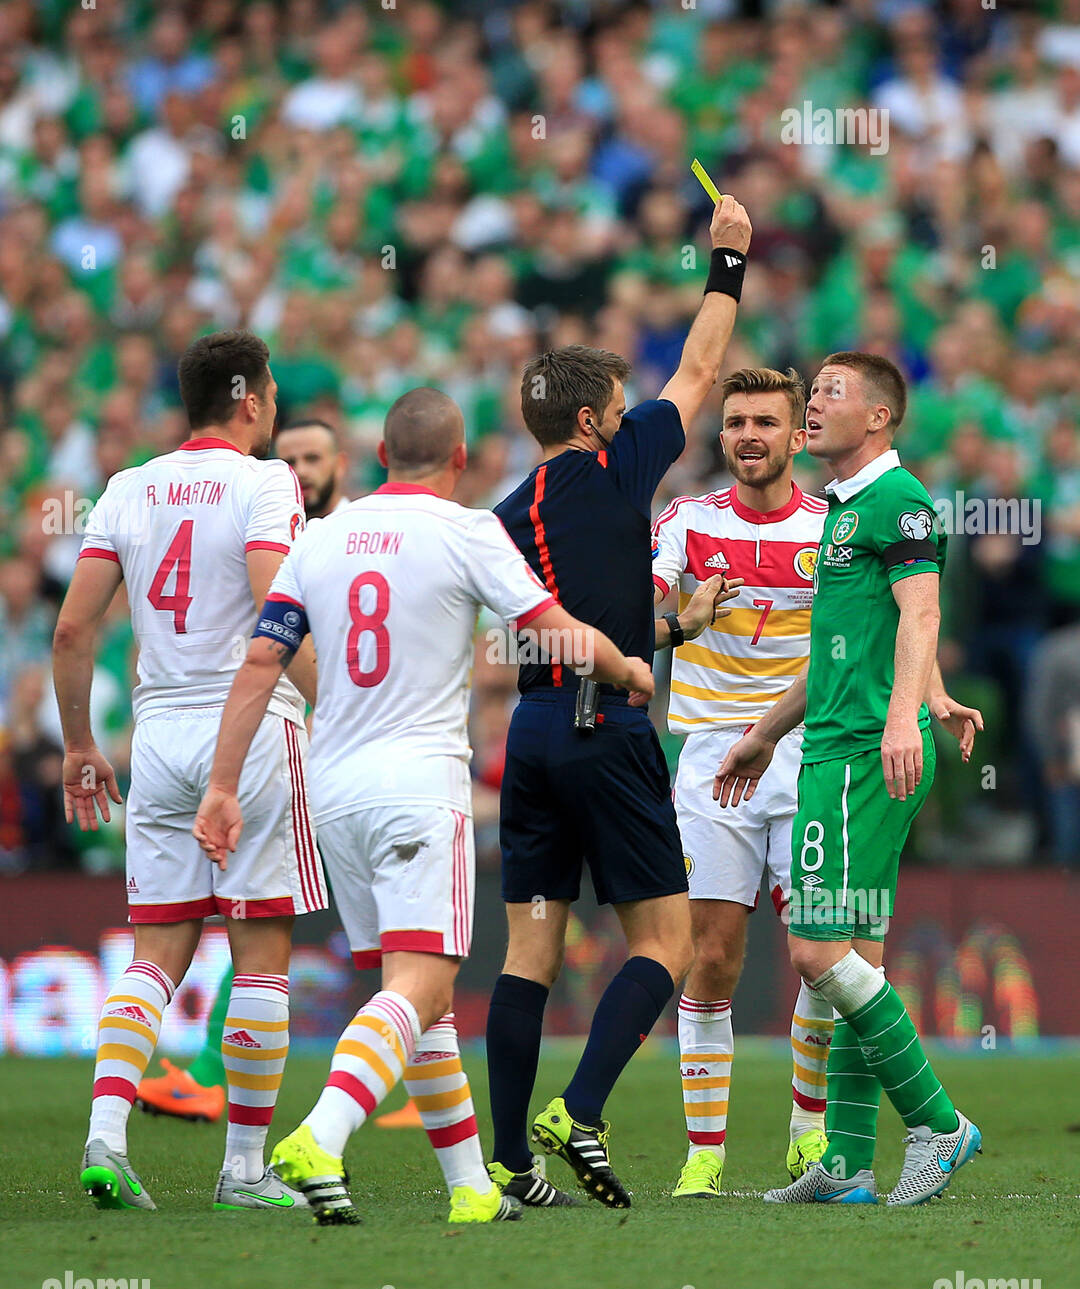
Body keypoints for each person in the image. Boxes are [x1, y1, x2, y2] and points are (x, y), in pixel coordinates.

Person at [192, 387, 655, 1225]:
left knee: (416, 995)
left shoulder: (319, 538)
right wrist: (625, 668)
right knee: (421, 985)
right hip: (418, 787)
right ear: (461, 460)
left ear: (376, 458)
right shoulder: (466, 529)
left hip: (333, 792)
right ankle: (322, 1134)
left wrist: (221, 786)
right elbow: (552, 628)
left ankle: (470, 1185)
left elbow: (262, 663)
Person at [484, 194, 753, 1209]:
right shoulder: (617, 465)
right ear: (595, 420)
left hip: (537, 732)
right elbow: (702, 368)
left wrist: (671, 629)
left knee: (530, 951)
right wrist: (726, 262)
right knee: (667, 944)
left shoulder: (506, 517)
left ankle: (508, 1163)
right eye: (618, 397)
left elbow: (547, 625)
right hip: (612, 727)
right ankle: (579, 1111)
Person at [53, 329, 325, 1214]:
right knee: (260, 963)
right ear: (248, 398)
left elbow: (70, 631)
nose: (277, 403)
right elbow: (273, 607)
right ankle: (243, 1172)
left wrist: (79, 745)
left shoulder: (129, 487)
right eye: (274, 390)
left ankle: (104, 1139)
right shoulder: (266, 482)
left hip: (155, 734)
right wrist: (345, 711)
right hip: (244, 733)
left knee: (155, 957)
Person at [716, 352, 985, 1206]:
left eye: (830, 393)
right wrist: (765, 733)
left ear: (878, 418)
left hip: (861, 756)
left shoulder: (898, 502)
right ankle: (850, 1161)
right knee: (856, 956)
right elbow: (841, 650)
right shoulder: (845, 511)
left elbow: (923, 611)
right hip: (838, 742)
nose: (811, 407)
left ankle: (940, 1125)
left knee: (814, 951)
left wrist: (904, 714)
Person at [134, 416, 352, 1125]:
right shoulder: (263, 524)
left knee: (367, 912)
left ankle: (418, 1069)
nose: (301, 470)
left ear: (339, 464)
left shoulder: (356, 536)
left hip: (347, 743)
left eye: (313, 457)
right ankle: (208, 1069)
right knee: (264, 911)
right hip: (283, 744)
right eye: (289, 458)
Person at [650, 366, 835, 1198]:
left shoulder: (834, 529)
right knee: (714, 957)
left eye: (766, 421)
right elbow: (641, 607)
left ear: (799, 437)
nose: (748, 435)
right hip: (709, 760)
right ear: (719, 437)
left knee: (820, 959)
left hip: (808, 754)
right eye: (735, 423)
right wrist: (675, 620)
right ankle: (706, 1153)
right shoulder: (686, 523)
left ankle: (807, 1130)